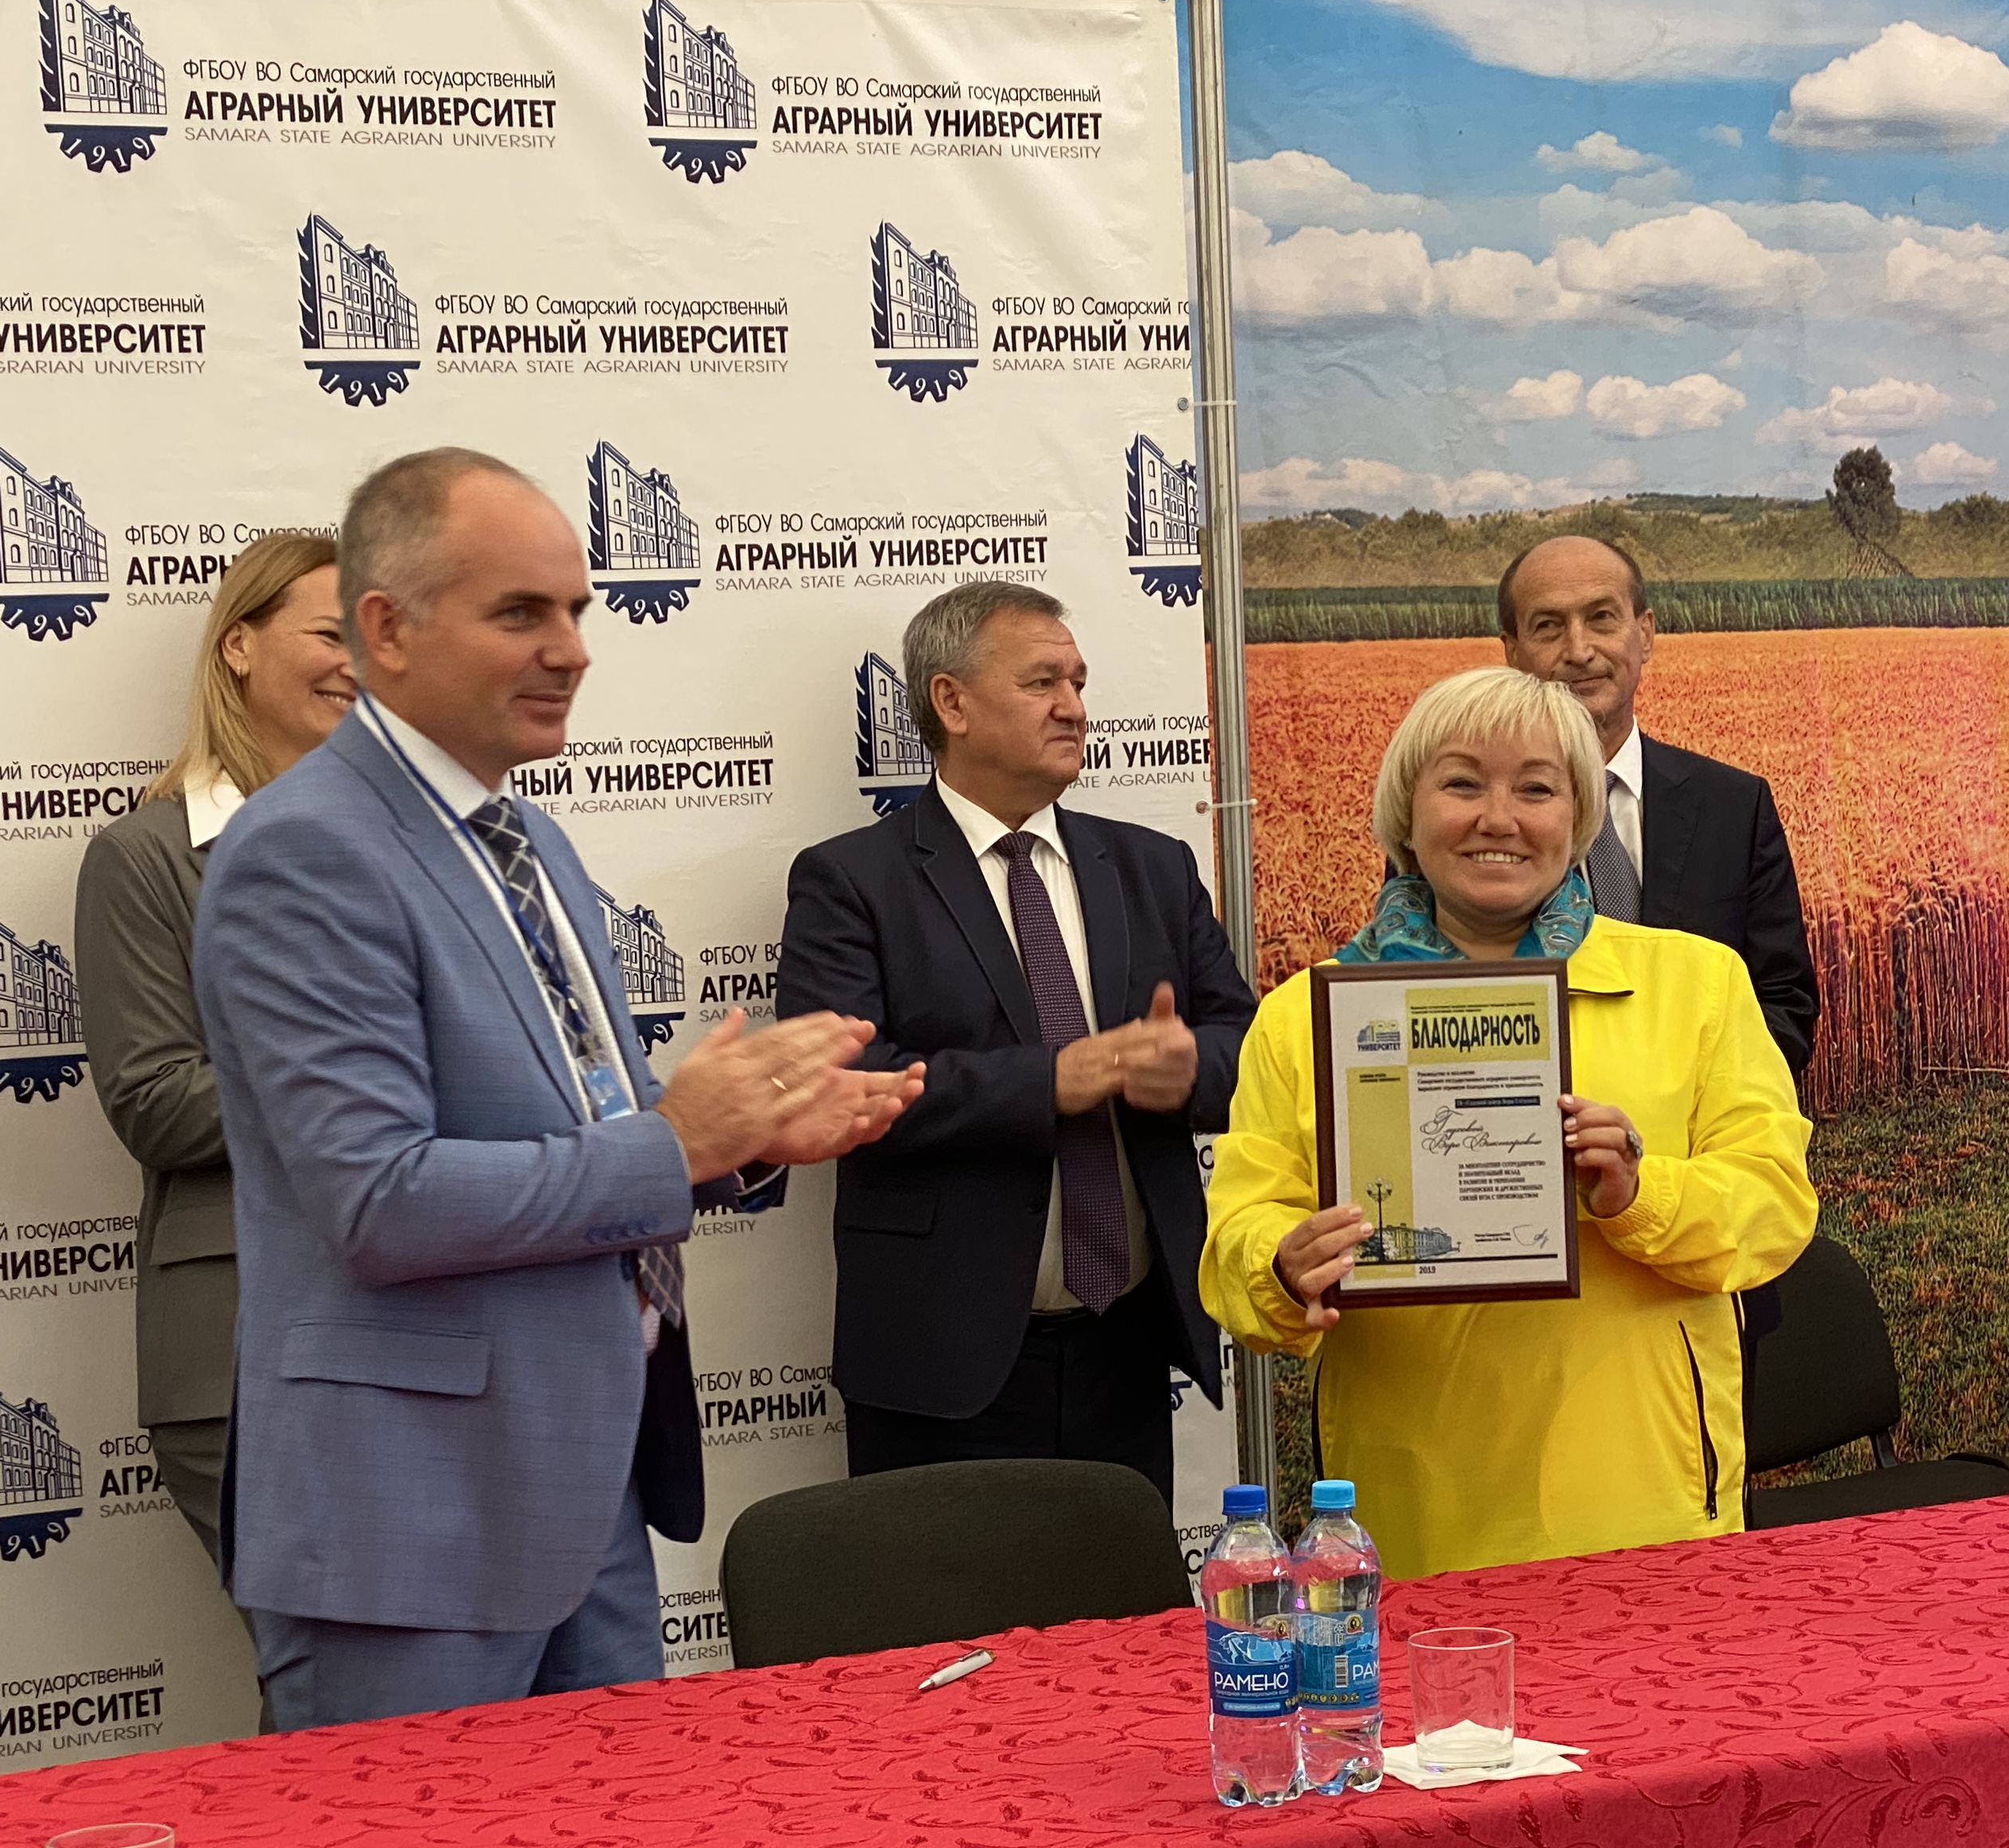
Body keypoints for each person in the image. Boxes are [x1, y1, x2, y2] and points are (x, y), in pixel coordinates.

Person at [192, 448, 919, 1728]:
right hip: (413, 1529)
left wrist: (744, 1139)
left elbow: (591, 1132)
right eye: (521, 612)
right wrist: (677, 1144)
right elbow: (380, 1201)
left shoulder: (529, 838)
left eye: (576, 610)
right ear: (387, 630)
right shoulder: (304, 849)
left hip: (587, 1494)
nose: (572, 650)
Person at [1201, 666, 1814, 1579]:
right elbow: (1235, 1239)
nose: (1499, 818)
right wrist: (1284, 1266)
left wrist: (1638, 1192)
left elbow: (1775, 1203)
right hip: (1413, 1499)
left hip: (1643, 1491)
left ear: (1578, 816)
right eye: (1462, 784)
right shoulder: (1309, 1017)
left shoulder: (1697, 983)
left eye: (1536, 789)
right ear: (1406, 813)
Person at [775, 580, 1254, 1506]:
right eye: (1042, 683)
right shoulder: (852, 882)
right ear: (951, 702)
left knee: (1120, 1602)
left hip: (1126, 1349)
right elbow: (836, 1087)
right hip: (941, 1366)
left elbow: (1249, 1051)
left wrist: (1190, 1068)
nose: (1073, 707)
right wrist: (1050, 1082)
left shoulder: (1154, 868)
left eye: (1078, 683)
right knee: (945, 1602)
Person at [74, 532, 353, 1581]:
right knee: (340, 1666)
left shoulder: (425, 846)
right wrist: (365, 1078)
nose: (360, 665)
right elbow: (156, 1103)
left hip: (437, 1341)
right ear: (239, 646)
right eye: (330, 634)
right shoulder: (143, 857)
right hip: (245, 1348)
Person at [1496, 534, 1818, 1077]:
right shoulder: (1459, 827)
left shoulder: (1734, 808)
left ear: (1644, 634)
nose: (1579, 650)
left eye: (1601, 618)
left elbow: (1783, 1004)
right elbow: (1420, 999)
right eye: (1548, 626)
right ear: (1512, 653)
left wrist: (1674, 1105)